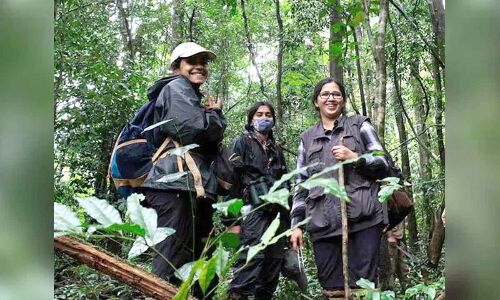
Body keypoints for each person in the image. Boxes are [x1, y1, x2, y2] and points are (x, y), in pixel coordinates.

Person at [289, 78, 390, 298]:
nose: (331, 98)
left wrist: (356, 158)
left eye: (336, 94)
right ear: (316, 101)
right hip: (322, 224)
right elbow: (300, 184)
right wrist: (296, 225)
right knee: (332, 290)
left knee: (363, 288)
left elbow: (384, 164)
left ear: (343, 100)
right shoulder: (306, 139)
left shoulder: (360, 125)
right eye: (325, 94)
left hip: (363, 219)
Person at [139, 42, 226, 293]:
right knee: (172, 258)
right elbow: (192, 130)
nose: (199, 66)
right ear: (177, 67)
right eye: (191, 61)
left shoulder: (190, 94)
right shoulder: (176, 88)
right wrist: (216, 115)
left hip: (189, 183)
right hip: (172, 183)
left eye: (203, 62)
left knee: (200, 257)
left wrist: (211, 120)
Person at [227, 102, 290, 300]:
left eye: (268, 115)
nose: (264, 118)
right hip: (252, 210)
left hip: (277, 213)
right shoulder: (242, 143)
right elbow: (232, 180)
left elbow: (285, 181)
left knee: (273, 263)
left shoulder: (275, 149)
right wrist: (232, 221)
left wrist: (289, 223)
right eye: (259, 114)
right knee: (251, 258)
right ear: (251, 119)